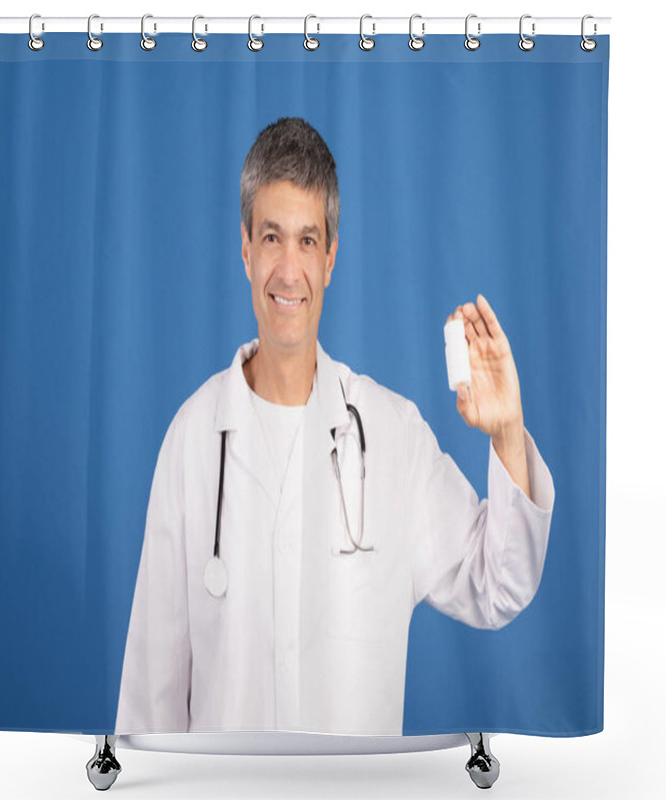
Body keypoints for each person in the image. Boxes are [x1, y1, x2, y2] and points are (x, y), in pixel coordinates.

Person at [115, 117, 555, 737]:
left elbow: (498, 584)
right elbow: (150, 695)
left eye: (306, 241)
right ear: (244, 249)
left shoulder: (392, 434)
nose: (288, 270)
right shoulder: (191, 439)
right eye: (272, 238)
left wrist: (506, 430)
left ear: (331, 257)